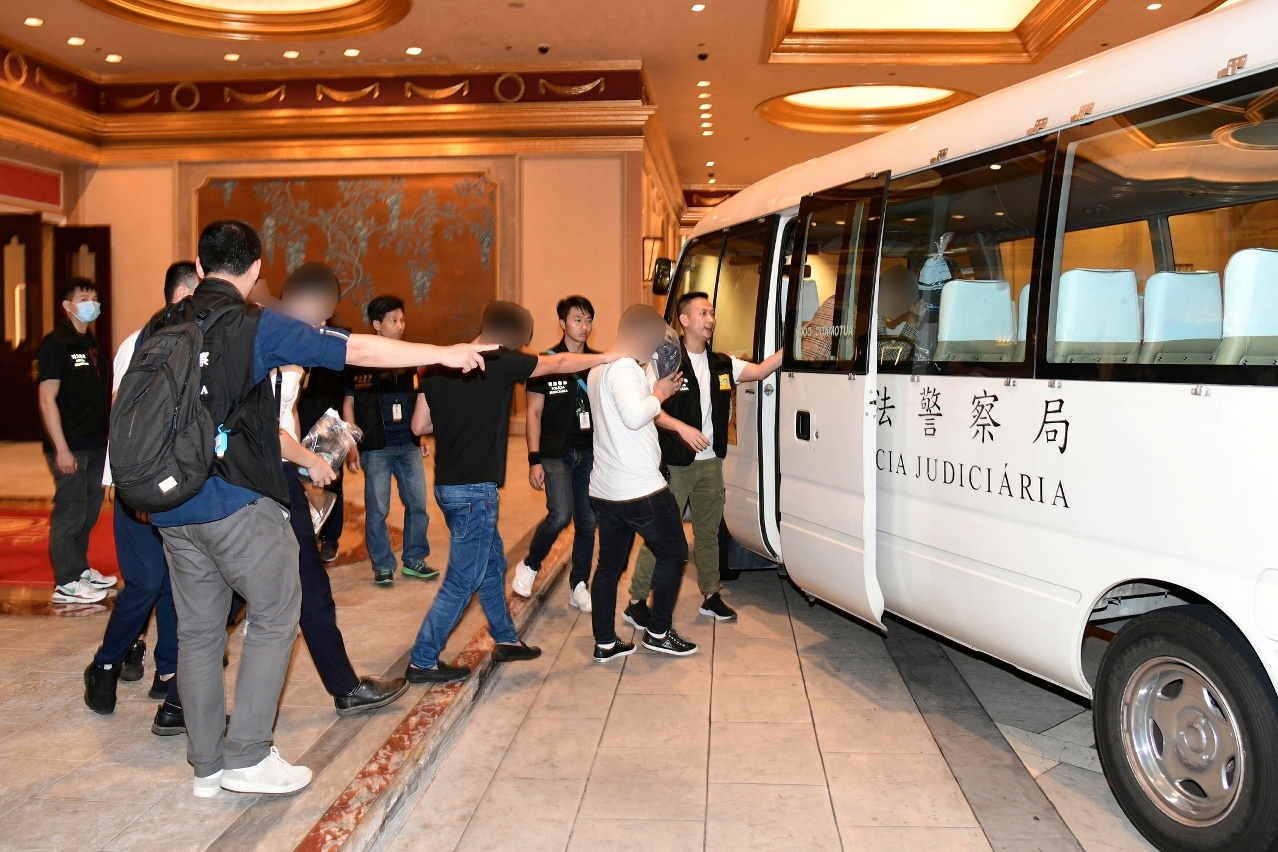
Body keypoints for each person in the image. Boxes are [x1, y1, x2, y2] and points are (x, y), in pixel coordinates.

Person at [146, 220, 495, 799]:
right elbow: (357, 348)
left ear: (201, 268)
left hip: (173, 503)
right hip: (235, 502)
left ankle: (206, 767)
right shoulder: (255, 324)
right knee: (278, 611)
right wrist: (447, 353)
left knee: (199, 633)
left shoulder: (163, 322)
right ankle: (247, 756)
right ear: (256, 269)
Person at [406, 302, 619, 683]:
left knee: (491, 565)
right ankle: (423, 659)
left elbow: (419, 424)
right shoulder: (499, 360)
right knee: (462, 579)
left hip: (447, 487)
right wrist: (610, 356)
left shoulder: (440, 364)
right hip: (475, 492)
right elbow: (558, 363)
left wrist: (458, 416)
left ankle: (505, 639)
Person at [625, 292, 784, 626]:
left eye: (712, 313)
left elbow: (759, 371)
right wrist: (682, 428)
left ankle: (711, 595)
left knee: (709, 534)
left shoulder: (723, 364)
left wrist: (795, 346)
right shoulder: (665, 362)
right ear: (684, 320)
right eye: (702, 313)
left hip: (711, 463)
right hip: (678, 463)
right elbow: (649, 410)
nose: (710, 319)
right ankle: (637, 600)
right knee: (661, 535)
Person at [83, 262, 197, 716]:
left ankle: (167, 668)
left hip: (177, 484)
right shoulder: (140, 342)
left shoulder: (195, 340)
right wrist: (130, 485)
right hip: (138, 484)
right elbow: (123, 418)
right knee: (146, 581)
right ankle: (106, 663)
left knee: (174, 580)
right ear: (181, 295)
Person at [587, 304, 696, 662]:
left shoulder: (601, 368)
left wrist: (656, 385)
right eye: (656, 340)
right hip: (638, 489)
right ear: (643, 335)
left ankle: (605, 643)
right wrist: (660, 394)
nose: (658, 347)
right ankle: (658, 633)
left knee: (608, 567)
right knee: (674, 553)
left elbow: (630, 406)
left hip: (607, 489)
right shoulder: (623, 368)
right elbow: (635, 416)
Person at [512, 295, 598, 612]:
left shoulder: (599, 362)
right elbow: (533, 414)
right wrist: (534, 459)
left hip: (589, 452)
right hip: (555, 452)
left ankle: (579, 585)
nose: (584, 326)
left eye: (588, 320)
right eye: (577, 319)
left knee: (587, 522)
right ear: (562, 323)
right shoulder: (544, 363)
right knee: (560, 515)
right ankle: (530, 565)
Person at [344, 295, 434, 586]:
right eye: (394, 320)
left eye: (402, 319)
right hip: (376, 446)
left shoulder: (408, 356)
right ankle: (383, 564)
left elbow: (418, 398)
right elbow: (348, 405)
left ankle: (415, 559)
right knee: (378, 510)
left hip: (408, 443)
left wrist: (421, 433)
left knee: (418, 504)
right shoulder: (359, 361)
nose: (400, 326)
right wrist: (352, 444)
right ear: (376, 324)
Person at [37, 276, 116, 605]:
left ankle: (80, 570)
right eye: (84, 299)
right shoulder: (56, 343)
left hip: (94, 441)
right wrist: (61, 448)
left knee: (88, 510)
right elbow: (47, 399)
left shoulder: (90, 341)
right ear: (68, 306)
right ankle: (66, 581)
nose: (92, 304)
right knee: (70, 511)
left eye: (94, 298)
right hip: (71, 443)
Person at [297, 310, 349, 564]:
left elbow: (345, 393)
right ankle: (308, 535)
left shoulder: (335, 348)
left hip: (330, 423)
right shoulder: (295, 345)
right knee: (300, 482)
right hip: (302, 420)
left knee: (332, 482)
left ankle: (330, 539)